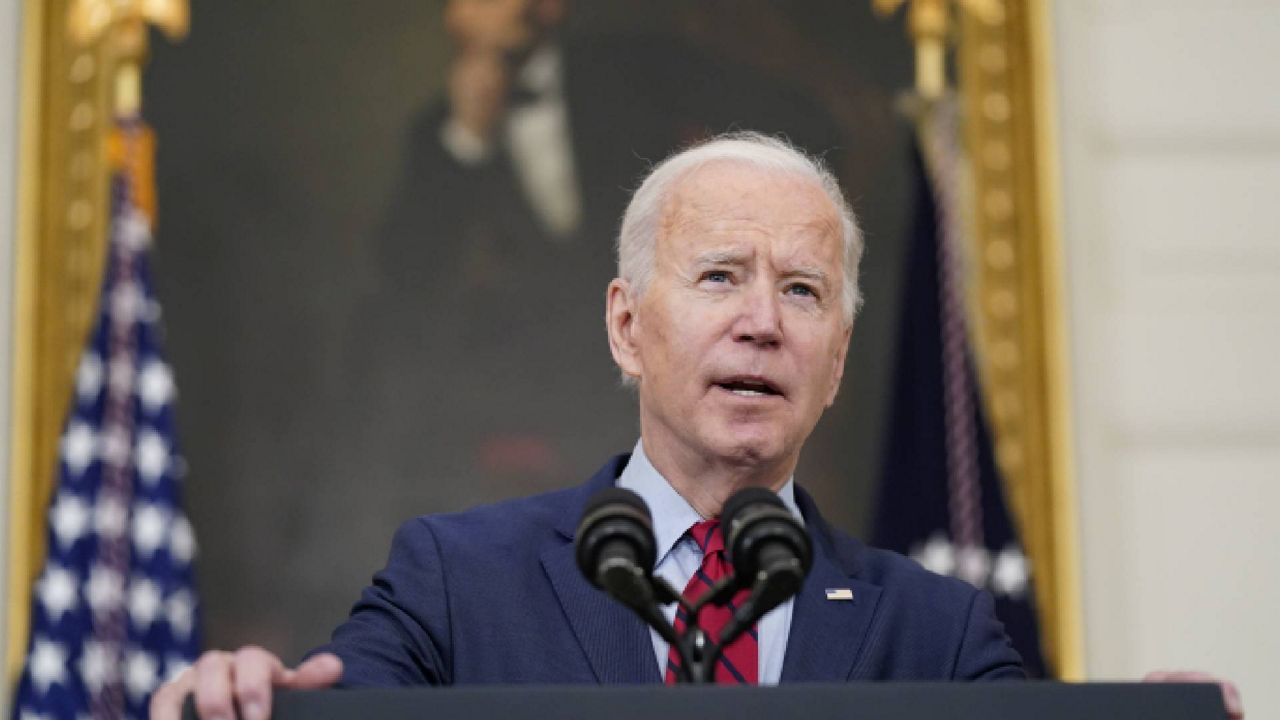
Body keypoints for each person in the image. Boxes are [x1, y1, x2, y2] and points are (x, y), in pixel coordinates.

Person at [153, 133, 1243, 719]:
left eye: (804, 292)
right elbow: (323, 709)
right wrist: (238, 702)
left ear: (838, 361)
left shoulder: (936, 633)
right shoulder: (454, 583)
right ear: (628, 327)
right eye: (720, 276)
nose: (762, 323)